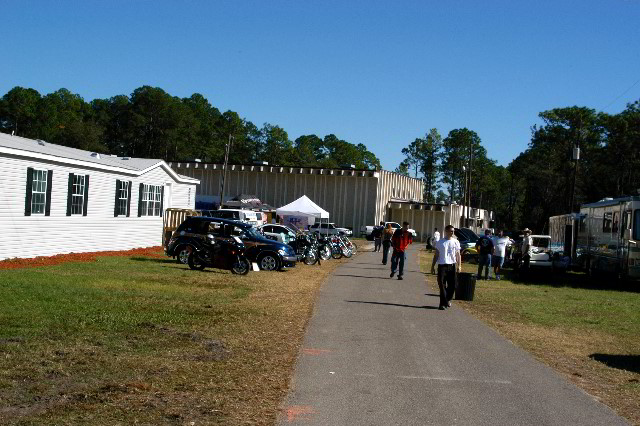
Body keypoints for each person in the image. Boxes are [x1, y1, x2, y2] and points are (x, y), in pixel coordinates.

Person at [430, 224, 461, 310]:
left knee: (453, 285)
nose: (452, 232)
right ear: (446, 231)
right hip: (442, 266)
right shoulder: (440, 242)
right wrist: (432, 266)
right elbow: (436, 255)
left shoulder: (456, 241)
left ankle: (447, 299)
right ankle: (442, 304)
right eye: (451, 231)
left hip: (452, 265)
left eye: (453, 231)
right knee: (442, 284)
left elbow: (458, 255)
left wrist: (459, 265)